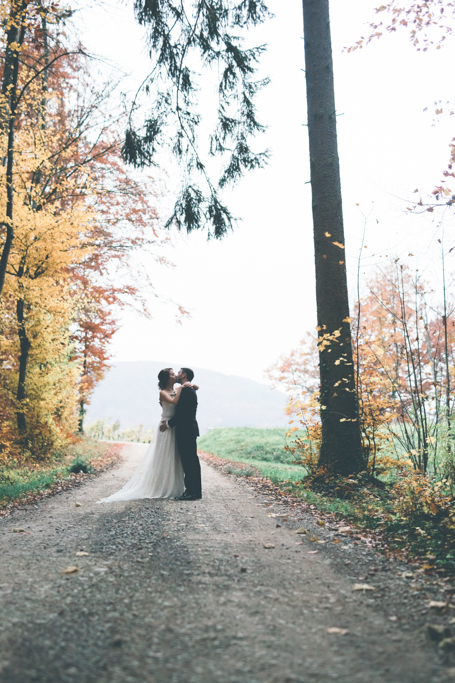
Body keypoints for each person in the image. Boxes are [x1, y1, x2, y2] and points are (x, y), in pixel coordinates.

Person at [97, 368, 197, 503]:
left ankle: (176, 487)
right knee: (164, 457)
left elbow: (184, 402)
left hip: (175, 428)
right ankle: (161, 487)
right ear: (167, 378)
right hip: (166, 427)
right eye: (172, 374)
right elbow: (174, 403)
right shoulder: (165, 392)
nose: (175, 375)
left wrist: (192, 385)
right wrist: (182, 388)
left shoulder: (180, 390)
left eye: (176, 373)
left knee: (175, 459)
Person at [160, 367, 201, 501]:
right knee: (192, 460)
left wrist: (168, 424)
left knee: (189, 461)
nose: (176, 375)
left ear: (183, 375)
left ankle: (191, 492)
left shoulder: (185, 390)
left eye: (178, 373)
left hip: (186, 430)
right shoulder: (188, 389)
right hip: (189, 429)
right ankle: (195, 491)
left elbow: (182, 413)